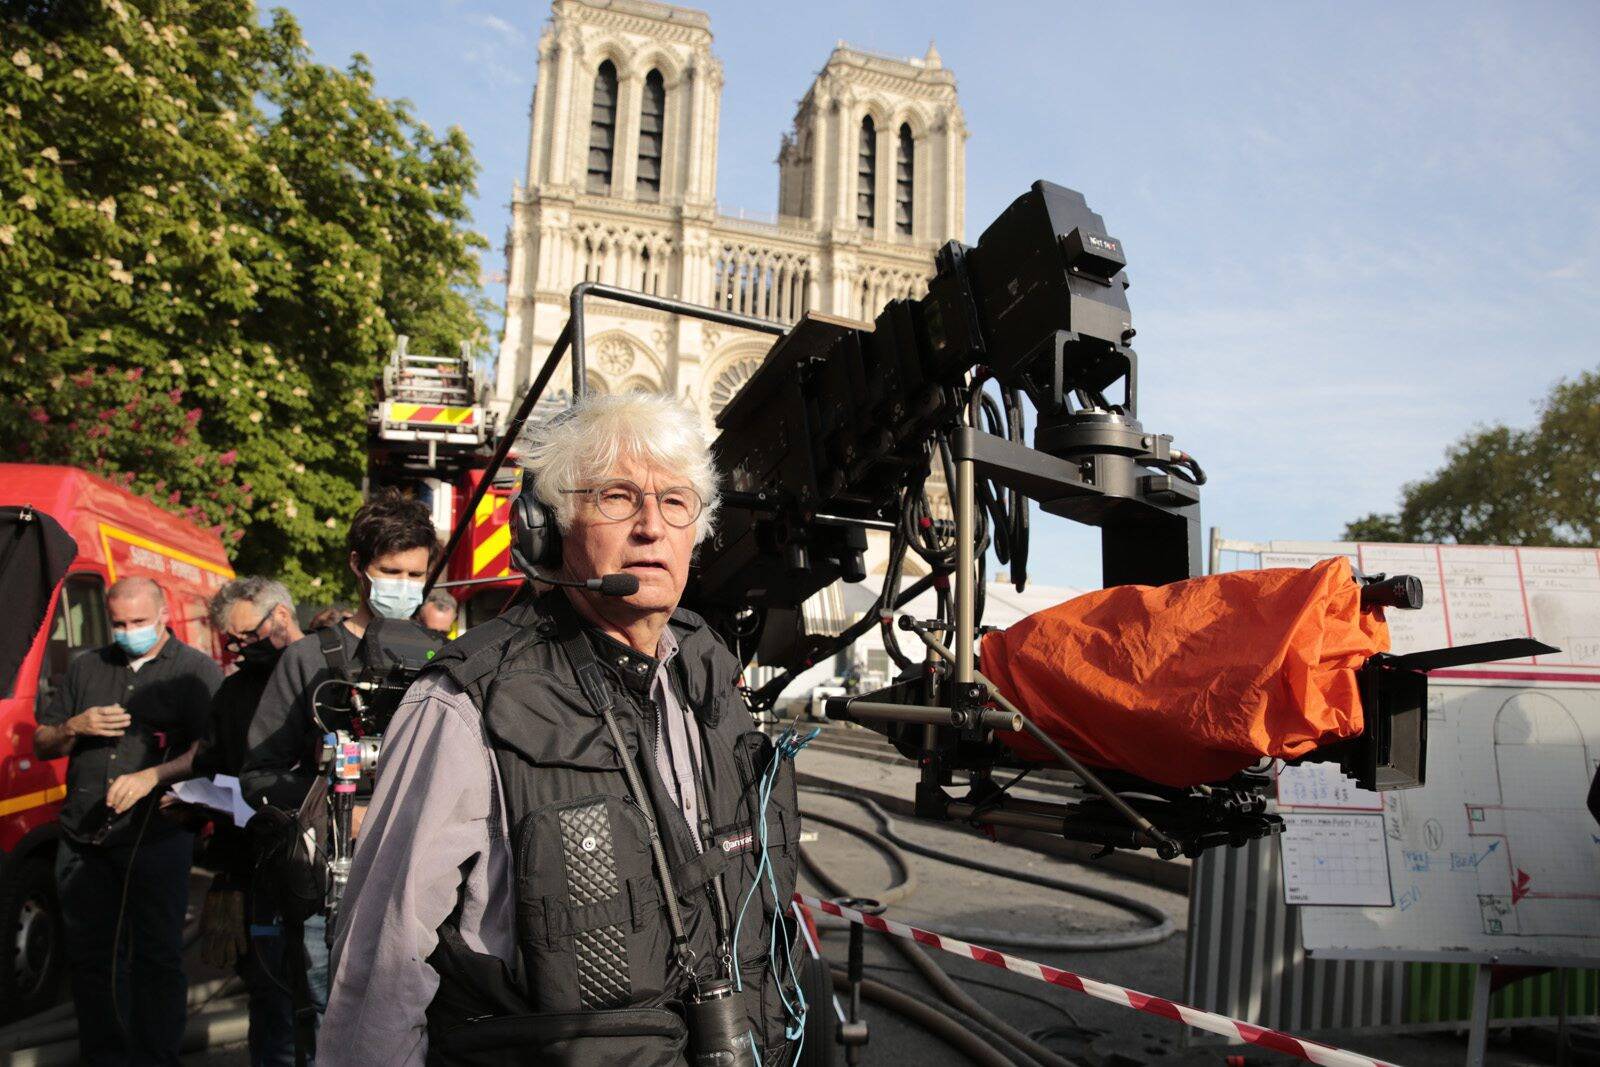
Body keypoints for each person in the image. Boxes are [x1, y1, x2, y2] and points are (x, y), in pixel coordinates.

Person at [320, 393, 803, 1066]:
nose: (650, 527)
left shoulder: (709, 673)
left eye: (675, 502)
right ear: (547, 528)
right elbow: (380, 967)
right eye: (615, 497)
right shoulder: (464, 701)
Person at [239, 490, 438, 1046]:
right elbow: (258, 774)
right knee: (329, 1024)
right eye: (389, 570)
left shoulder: (443, 656)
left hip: (418, 884)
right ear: (358, 565)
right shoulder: (308, 659)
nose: (403, 584)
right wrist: (332, 808)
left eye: (415, 573)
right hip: (332, 888)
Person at [32, 576, 222, 1066]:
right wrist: (75, 725)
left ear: (163, 615)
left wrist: (151, 776)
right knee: (91, 959)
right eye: (118, 623)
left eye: (139, 622)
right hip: (84, 837)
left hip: (156, 838)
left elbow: (213, 749)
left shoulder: (196, 671)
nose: (128, 631)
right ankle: (104, 1056)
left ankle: (156, 1058)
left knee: (157, 958)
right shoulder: (86, 668)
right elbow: (42, 742)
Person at [190, 577, 306, 1067]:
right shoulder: (234, 690)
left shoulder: (329, 670)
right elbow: (212, 763)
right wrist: (198, 801)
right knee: (270, 1000)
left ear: (280, 616)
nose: (239, 648)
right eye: (231, 641)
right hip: (254, 871)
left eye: (247, 636)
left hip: (323, 864)